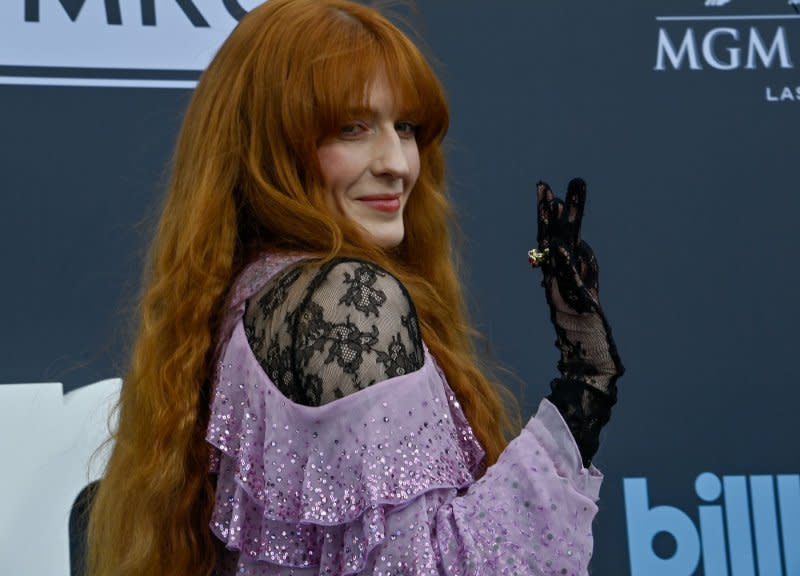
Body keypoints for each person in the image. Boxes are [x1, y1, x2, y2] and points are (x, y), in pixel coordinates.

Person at [87, 1, 623, 575]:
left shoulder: (249, 298)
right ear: (274, 144)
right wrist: (583, 384)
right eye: (352, 128)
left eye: (406, 128)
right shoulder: (346, 300)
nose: (397, 162)